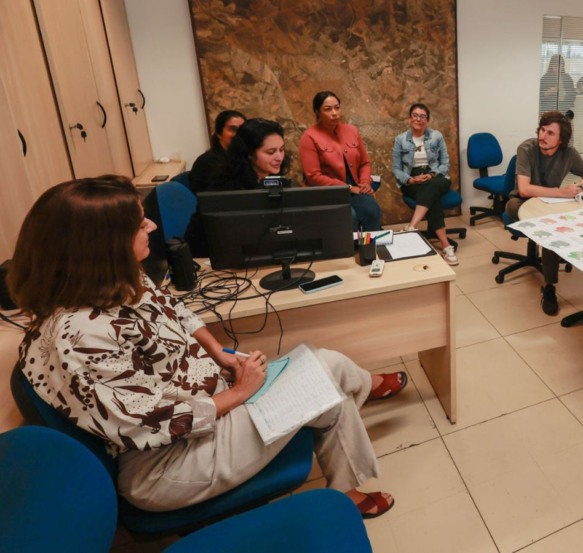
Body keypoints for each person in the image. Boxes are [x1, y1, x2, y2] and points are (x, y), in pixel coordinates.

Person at [7, 176, 408, 518]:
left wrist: (219, 354)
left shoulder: (121, 281)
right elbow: (151, 421)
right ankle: (354, 451)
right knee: (328, 380)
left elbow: (177, 312)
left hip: (206, 407)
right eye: (137, 223)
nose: (150, 226)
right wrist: (240, 393)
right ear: (101, 245)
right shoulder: (79, 336)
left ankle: (352, 453)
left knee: (325, 371)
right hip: (167, 464)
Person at [506, 111, 583, 315]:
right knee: (547, 225)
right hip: (519, 202)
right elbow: (524, 189)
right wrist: (562, 193)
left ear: (561, 139)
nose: (543, 136)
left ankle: (548, 285)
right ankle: (550, 287)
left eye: (550, 133)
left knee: (552, 227)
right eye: (542, 130)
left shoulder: (569, 154)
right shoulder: (527, 149)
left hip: (549, 204)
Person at [184, 118, 292, 256]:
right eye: (271, 152)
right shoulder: (227, 188)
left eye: (281, 150)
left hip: (260, 252)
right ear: (249, 153)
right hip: (215, 256)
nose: (279, 157)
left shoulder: (277, 181)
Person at [300, 91, 382, 232]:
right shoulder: (309, 137)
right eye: (328, 109)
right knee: (349, 216)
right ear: (317, 112)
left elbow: (364, 163)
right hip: (328, 193)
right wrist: (348, 188)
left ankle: (369, 248)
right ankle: (347, 251)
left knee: (372, 210)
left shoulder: (352, 131)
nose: (334, 113)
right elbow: (313, 176)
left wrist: (365, 183)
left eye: (337, 108)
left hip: (356, 188)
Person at [391, 103, 458, 266]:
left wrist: (430, 174)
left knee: (432, 185)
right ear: (409, 118)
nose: (418, 119)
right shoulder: (400, 140)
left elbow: (445, 164)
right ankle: (446, 246)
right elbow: (396, 168)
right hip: (412, 178)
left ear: (427, 120)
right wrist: (410, 180)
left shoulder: (436, 136)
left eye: (422, 116)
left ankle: (411, 226)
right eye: (415, 115)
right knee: (431, 197)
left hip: (436, 175)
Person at [188, 110, 245, 194]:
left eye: (242, 130)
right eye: (233, 129)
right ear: (219, 133)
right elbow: (208, 199)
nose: (238, 134)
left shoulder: (249, 158)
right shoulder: (205, 162)